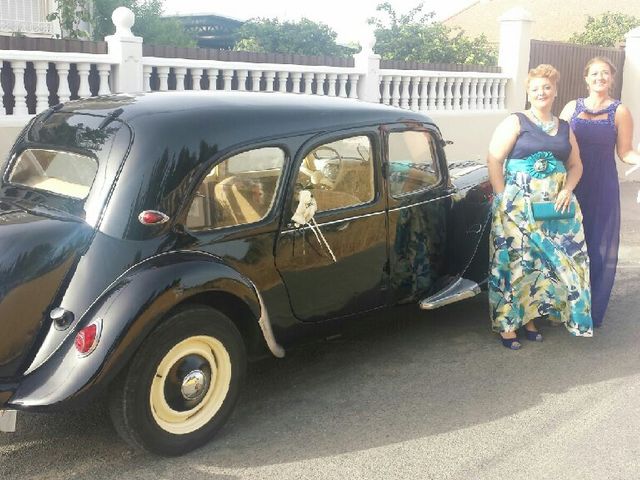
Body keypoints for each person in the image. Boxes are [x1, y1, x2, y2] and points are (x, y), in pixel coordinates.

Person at [487, 64, 593, 350]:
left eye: (546, 87)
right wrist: (501, 199)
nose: (541, 92)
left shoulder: (565, 128)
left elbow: (576, 165)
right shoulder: (516, 121)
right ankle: (509, 323)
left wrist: (568, 189)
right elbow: (494, 159)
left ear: (555, 91)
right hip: (517, 205)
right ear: (528, 92)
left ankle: (531, 318)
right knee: (516, 261)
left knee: (543, 264)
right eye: (535, 89)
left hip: (554, 210)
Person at [560, 57, 640, 328]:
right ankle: (562, 304)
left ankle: (588, 309)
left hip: (602, 184)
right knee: (567, 242)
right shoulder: (571, 107)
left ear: (612, 79)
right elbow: (555, 139)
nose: (600, 77)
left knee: (596, 245)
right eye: (594, 73)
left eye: (605, 73)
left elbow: (625, 151)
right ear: (586, 77)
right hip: (572, 181)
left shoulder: (620, 111)